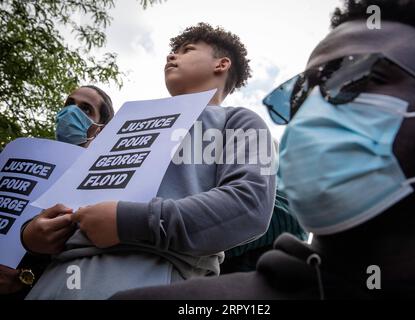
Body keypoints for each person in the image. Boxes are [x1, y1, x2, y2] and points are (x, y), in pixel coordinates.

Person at [111, 0, 415, 300]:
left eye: (360, 77)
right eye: (302, 94)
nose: (316, 108)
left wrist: (132, 224)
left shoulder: (238, 124)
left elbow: (254, 208)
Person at [21, 23, 276, 299]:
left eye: (186, 50)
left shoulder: (239, 121)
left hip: (153, 274)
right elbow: (68, 199)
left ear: (221, 64)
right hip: (52, 279)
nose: (171, 56)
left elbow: (250, 204)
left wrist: (128, 221)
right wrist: (31, 235)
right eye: (171, 51)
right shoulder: (119, 125)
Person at [0, 85, 114, 298]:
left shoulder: (99, 182)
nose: (71, 112)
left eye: (86, 109)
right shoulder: (20, 157)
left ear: (100, 129)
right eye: (69, 104)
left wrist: (25, 276)